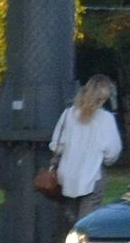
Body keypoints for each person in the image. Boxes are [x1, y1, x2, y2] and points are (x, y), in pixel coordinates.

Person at [48, 75, 123, 229]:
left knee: (70, 222)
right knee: (87, 226)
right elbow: (112, 152)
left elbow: (56, 145)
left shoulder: (68, 114)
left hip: (67, 177)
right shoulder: (106, 118)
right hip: (92, 176)